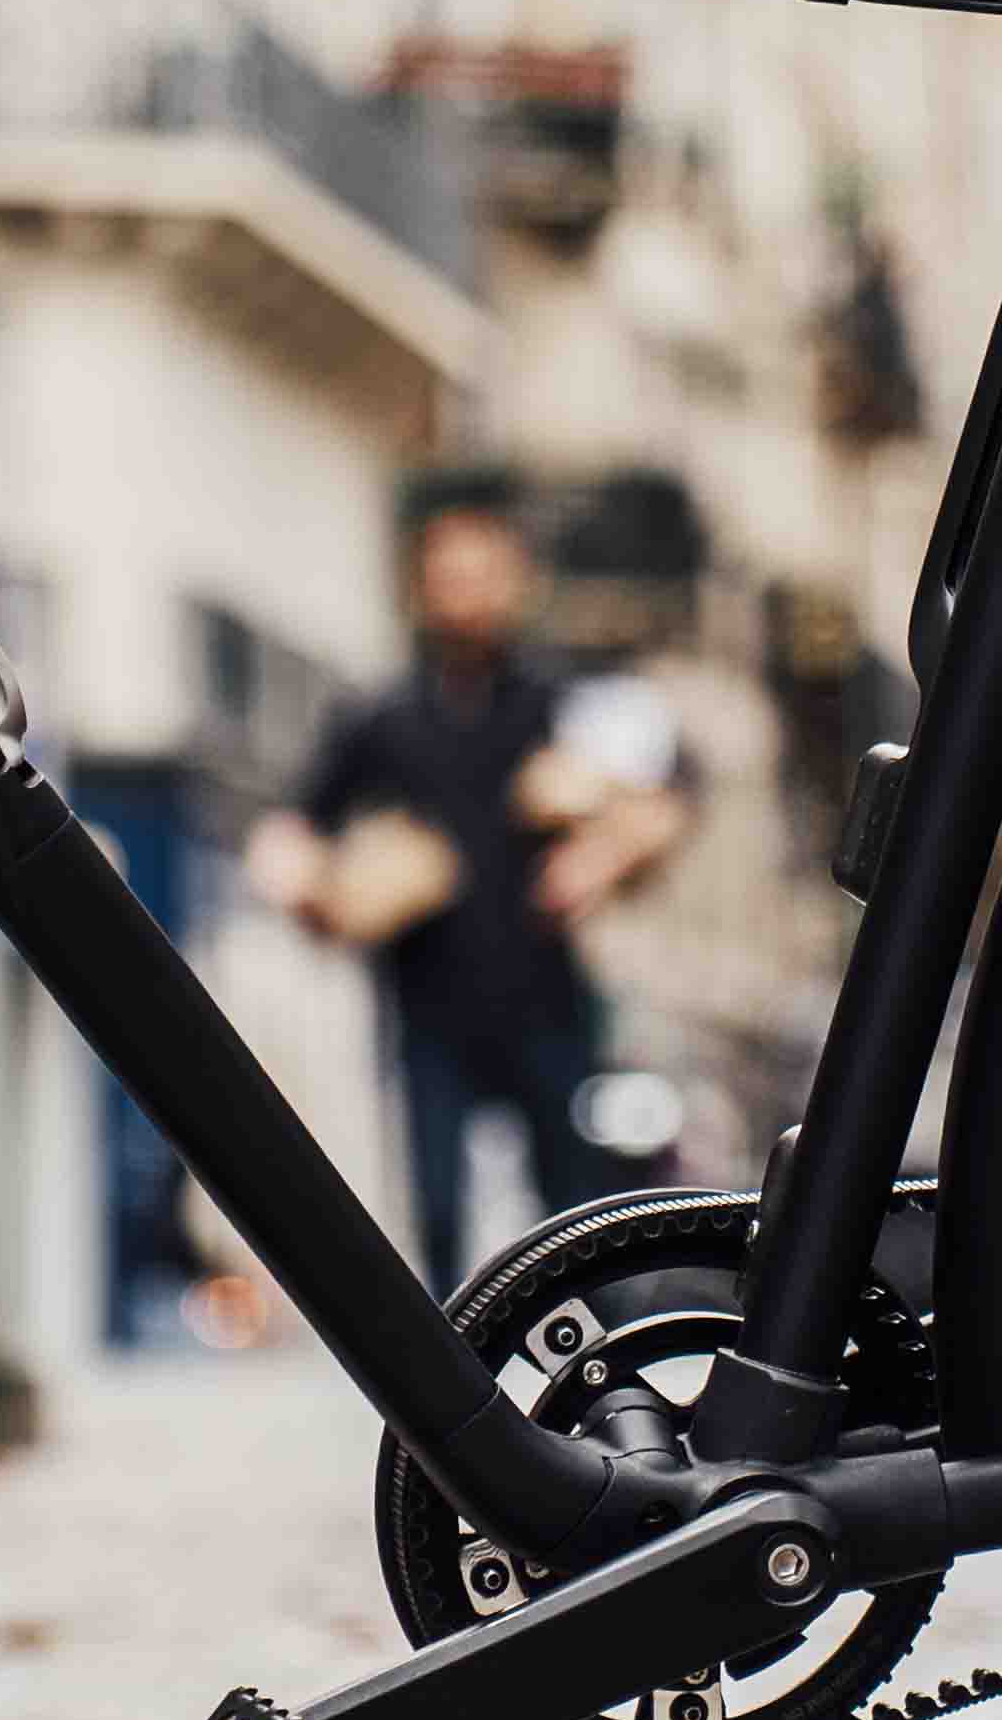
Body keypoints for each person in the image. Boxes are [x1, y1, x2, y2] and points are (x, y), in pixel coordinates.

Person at [254, 499, 689, 1284]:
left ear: (516, 584)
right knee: (439, 1213)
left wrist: (602, 854)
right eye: (449, 577)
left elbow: (667, 795)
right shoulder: (383, 714)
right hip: (429, 1009)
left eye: (482, 576)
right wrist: (314, 890)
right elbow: (292, 829)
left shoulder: (565, 702)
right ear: (421, 588)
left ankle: (596, 1366)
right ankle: (448, 1384)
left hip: (548, 1001)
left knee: (573, 1211)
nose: (466, 594)